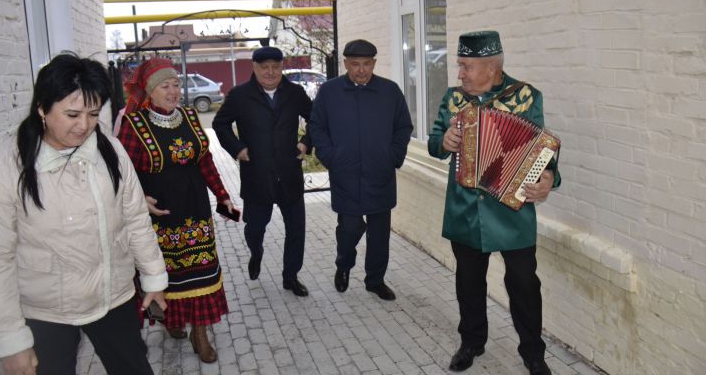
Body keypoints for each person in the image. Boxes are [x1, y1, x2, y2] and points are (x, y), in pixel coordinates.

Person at [0, 53, 167, 375]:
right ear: (42, 107)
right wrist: (10, 338)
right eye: (71, 114)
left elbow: (136, 218)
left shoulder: (111, 151)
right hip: (45, 309)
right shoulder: (5, 164)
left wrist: (154, 277)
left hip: (114, 295)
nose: (83, 125)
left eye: (93, 114)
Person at [427, 31, 560, 375]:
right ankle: (471, 341)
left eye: (466, 67)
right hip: (465, 211)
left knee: (524, 284)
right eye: (461, 66)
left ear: (492, 67)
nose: (460, 74)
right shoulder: (453, 99)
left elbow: (539, 148)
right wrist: (446, 140)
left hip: (511, 212)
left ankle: (533, 352)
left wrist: (548, 180)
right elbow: (433, 144)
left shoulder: (527, 97)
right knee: (469, 282)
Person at [117, 58, 236, 363]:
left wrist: (223, 196)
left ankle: (200, 332)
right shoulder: (133, 125)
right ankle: (171, 319)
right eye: (165, 86)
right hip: (159, 215)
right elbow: (121, 172)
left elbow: (205, 161)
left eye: (176, 84)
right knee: (166, 274)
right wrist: (140, 197)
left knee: (202, 272)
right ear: (150, 91)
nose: (173, 91)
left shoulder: (190, 116)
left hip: (195, 209)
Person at [309, 39, 413, 301]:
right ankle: (343, 265)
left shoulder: (390, 91)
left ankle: (375, 280)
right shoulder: (329, 92)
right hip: (345, 174)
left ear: (374, 64)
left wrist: (393, 157)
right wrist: (330, 157)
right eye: (355, 64)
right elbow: (317, 127)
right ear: (345, 64)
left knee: (379, 233)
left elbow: (403, 127)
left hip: (380, 173)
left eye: (367, 64)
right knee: (349, 227)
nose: (361, 70)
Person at [212, 46, 312, 297]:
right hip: (256, 174)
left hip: (289, 174)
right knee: (254, 228)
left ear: (282, 67)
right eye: (264, 67)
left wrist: (307, 142)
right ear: (254, 68)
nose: (270, 72)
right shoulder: (239, 95)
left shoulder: (295, 93)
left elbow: (318, 119)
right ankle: (256, 253)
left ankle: (291, 277)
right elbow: (220, 124)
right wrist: (238, 149)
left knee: (296, 230)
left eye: (275, 67)